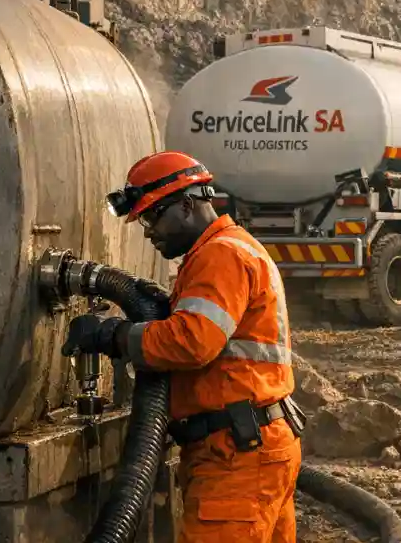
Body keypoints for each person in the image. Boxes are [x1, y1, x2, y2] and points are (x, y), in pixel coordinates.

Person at [62, 151, 304, 542]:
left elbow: (192, 342)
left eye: (152, 216)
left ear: (187, 205)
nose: (147, 231)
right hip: (251, 445)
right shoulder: (230, 248)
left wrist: (115, 335)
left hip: (236, 457)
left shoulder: (220, 255)